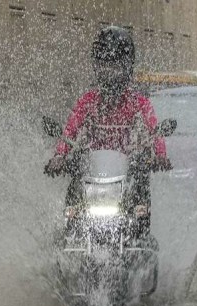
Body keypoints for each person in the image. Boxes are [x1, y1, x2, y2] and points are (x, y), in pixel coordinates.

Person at [45, 26, 172, 218]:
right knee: (76, 170)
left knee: (141, 173)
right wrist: (59, 156)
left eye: (115, 66)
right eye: (104, 66)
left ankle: (140, 230)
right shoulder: (88, 100)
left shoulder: (138, 101)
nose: (110, 72)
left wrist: (160, 155)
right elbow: (70, 130)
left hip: (126, 168)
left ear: (127, 67)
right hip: (93, 168)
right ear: (96, 66)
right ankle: (71, 228)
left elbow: (154, 129)